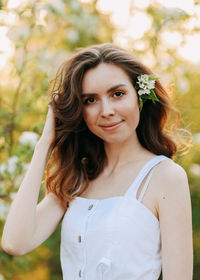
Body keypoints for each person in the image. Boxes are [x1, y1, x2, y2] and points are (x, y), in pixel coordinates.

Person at [1, 43, 193, 280]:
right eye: (90, 100)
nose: (107, 110)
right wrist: (45, 145)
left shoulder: (166, 177)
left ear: (140, 97)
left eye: (118, 94)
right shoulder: (77, 178)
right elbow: (15, 243)